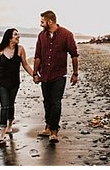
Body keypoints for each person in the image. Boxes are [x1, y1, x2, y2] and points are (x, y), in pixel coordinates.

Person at [33, 10, 80, 143]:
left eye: (42, 21)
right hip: (45, 75)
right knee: (46, 102)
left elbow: (74, 55)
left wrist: (75, 74)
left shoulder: (66, 34)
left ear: (50, 21)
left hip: (59, 74)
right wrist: (35, 73)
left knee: (56, 102)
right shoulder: (41, 36)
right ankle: (47, 126)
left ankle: (54, 131)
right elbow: (37, 56)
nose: (40, 24)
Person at [0, 28, 36, 144]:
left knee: (10, 104)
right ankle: (2, 133)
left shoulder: (20, 50)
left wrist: (34, 75)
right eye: (16, 34)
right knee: (4, 105)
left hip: (14, 83)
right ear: (9, 37)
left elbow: (25, 64)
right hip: (2, 82)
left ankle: (10, 124)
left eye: (18, 34)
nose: (18, 36)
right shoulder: (0, 50)